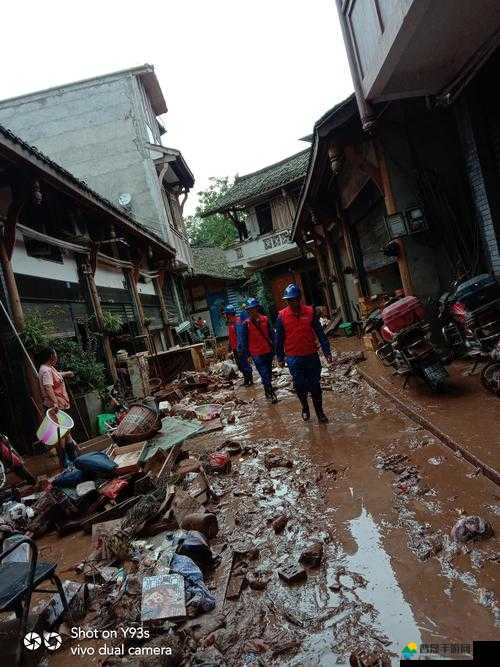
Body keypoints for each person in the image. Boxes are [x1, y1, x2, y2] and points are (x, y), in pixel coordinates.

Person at [275, 284, 333, 423]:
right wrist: (280, 358)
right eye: (288, 300)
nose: (291, 303)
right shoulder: (281, 316)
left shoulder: (310, 312)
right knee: (300, 385)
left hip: (311, 356)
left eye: (293, 300)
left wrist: (327, 352)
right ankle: (305, 408)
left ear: (299, 299)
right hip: (294, 358)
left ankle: (320, 413)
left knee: (315, 386)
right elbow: (279, 339)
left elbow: (320, 333)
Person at [37, 347, 80, 469]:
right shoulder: (46, 370)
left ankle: (72, 459)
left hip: (60, 405)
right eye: (55, 354)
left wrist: (66, 373)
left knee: (66, 433)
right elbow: (48, 387)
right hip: (56, 407)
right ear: (51, 356)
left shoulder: (49, 368)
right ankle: (65, 461)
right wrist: (55, 403)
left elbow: (56, 376)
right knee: (61, 434)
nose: (56, 356)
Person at [238, 298, 278, 403]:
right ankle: (271, 392)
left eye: (253, 309)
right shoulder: (245, 324)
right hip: (256, 353)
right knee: (264, 373)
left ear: (257, 308)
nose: (251, 311)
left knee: (268, 373)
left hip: (267, 351)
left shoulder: (265, 319)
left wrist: (275, 349)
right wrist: (247, 355)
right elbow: (244, 341)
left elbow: (272, 335)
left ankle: (267, 389)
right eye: (249, 310)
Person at [224, 305, 253, 386]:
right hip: (235, 348)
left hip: (240, 348)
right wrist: (229, 347)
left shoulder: (238, 322)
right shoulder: (230, 323)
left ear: (229, 314)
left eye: (226, 314)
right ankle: (246, 379)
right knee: (240, 365)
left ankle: (249, 380)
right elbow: (231, 337)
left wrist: (240, 348)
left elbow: (240, 336)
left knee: (244, 364)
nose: (225, 316)